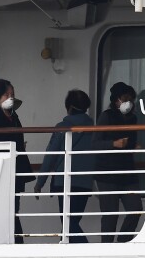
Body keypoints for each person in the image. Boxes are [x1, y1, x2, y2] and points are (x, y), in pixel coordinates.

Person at [33, 90, 95, 243]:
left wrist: (40, 182)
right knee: (71, 224)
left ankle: (88, 252)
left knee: (69, 225)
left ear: (69, 107)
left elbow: (50, 156)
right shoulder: (94, 128)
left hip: (65, 182)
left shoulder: (62, 127)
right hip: (85, 183)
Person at [0, 79, 33, 243]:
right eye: (6, 94)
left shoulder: (14, 116)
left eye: (12, 95)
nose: (10, 97)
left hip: (14, 171)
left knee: (13, 209)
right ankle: (12, 242)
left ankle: (14, 242)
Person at [93, 81, 141, 243]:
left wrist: (133, 145)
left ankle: (122, 244)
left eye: (131, 99)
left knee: (135, 209)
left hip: (127, 173)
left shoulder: (133, 118)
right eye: (125, 98)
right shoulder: (106, 116)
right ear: (116, 100)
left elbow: (130, 142)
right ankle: (107, 250)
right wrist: (113, 144)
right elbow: (95, 143)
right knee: (110, 216)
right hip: (107, 174)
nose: (128, 102)